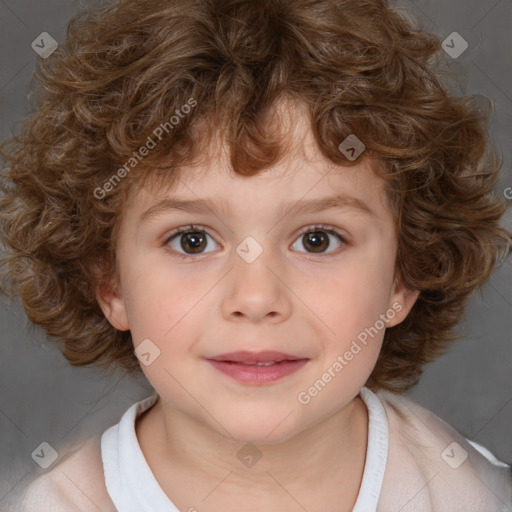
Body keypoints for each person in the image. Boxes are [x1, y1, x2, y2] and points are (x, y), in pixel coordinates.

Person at [1, 0, 511, 510]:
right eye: (192, 240)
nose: (256, 297)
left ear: (403, 277)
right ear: (110, 283)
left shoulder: (475, 495)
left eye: (317, 239)